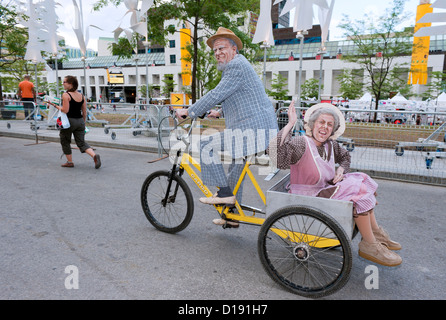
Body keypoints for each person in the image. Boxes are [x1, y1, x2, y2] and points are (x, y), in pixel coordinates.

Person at [267, 101, 402, 267]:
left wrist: (341, 170)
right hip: (307, 196)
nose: (325, 127)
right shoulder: (301, 143)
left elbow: (346, 157)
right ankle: (370, 244)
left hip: (325, 191)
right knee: (358, 189)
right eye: (321, 122)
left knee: (361, 180)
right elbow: (276, 156)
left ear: (333, 129)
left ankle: (375, 235)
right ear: (312, 124)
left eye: (329, 124)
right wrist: (291, 123)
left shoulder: (331, 145)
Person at [176, 27, 278, 227]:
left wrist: (190, 111)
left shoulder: (235, 66)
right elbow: (239, 97)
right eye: (215, 50)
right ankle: (231, 215)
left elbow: (216, 94)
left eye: (221, 48)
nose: (217, 53)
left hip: (252, 131)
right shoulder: (239, 66)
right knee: (235, 169)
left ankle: (223, 194)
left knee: (205, 145)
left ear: (233, 49)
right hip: (260, 129)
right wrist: (218, 112)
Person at [48, 75, 101, 169]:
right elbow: (84, 111)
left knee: (65, 140)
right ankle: (94, 156)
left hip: (69, 122)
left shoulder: (66, 95)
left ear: (71, 84)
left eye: (64, 82)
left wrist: (55, 106)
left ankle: (69, 162)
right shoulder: (81, 96)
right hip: (80, 121)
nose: (63, 84)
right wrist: (83, 123)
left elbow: (65, 110)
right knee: (81, 142)